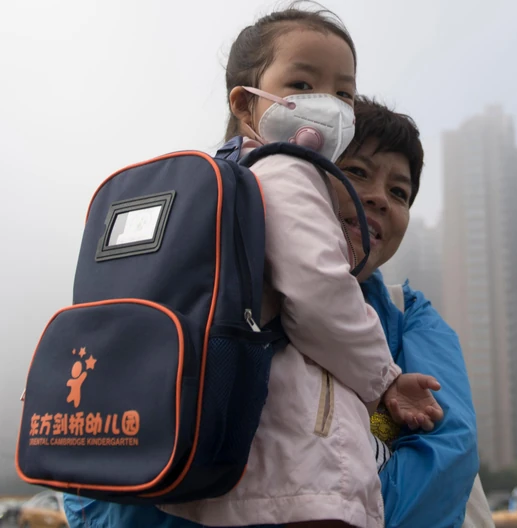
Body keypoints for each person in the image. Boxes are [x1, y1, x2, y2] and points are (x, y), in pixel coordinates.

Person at [66, 5, 445, 528]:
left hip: (215, 462)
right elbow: (319, 290)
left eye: (343, 93)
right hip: (295, 474)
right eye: (302, 84)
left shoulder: (228, 180)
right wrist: (385, 380)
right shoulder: (287, 170)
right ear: (246, 101)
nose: (326, 104)